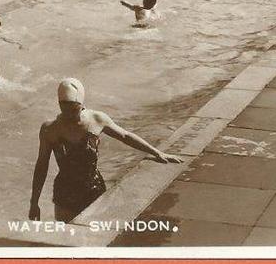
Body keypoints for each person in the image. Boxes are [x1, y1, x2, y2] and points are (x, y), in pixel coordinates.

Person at [29, 78, 183, 222]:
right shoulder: (50, 129)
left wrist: (157, 152)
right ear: (59, 106)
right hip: (65, 193)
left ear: (82, 105)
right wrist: (34, 203)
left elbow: (125, 136)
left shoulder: (97, 119)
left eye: (74, 110)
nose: (70, 115)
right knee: (67, 237)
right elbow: (42, 166)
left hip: (93, 189)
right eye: (66, 110)